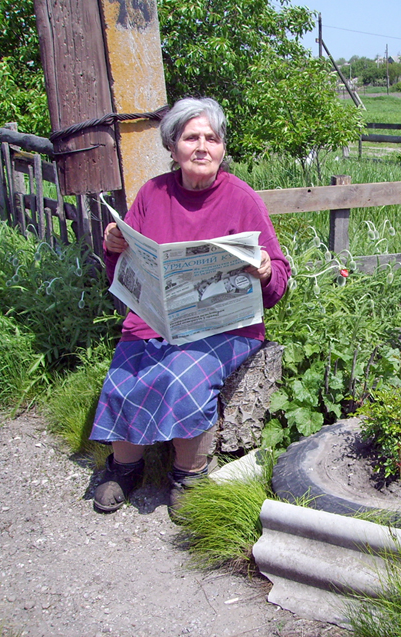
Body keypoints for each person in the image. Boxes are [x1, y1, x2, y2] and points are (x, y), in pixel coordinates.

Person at [89, 97, 291, 517]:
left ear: (221, 148)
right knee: (126, 374)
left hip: (226, 327)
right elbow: (121, 269)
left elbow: (280, 279)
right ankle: (125, 467)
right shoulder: (152, 193)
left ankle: (189, 473)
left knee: (183, 375)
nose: (202, 147)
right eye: (191, 137)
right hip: (157, 320)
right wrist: (114, 246)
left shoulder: (241, 198)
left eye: (211, 139)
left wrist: (267, 271)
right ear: (172, 146)